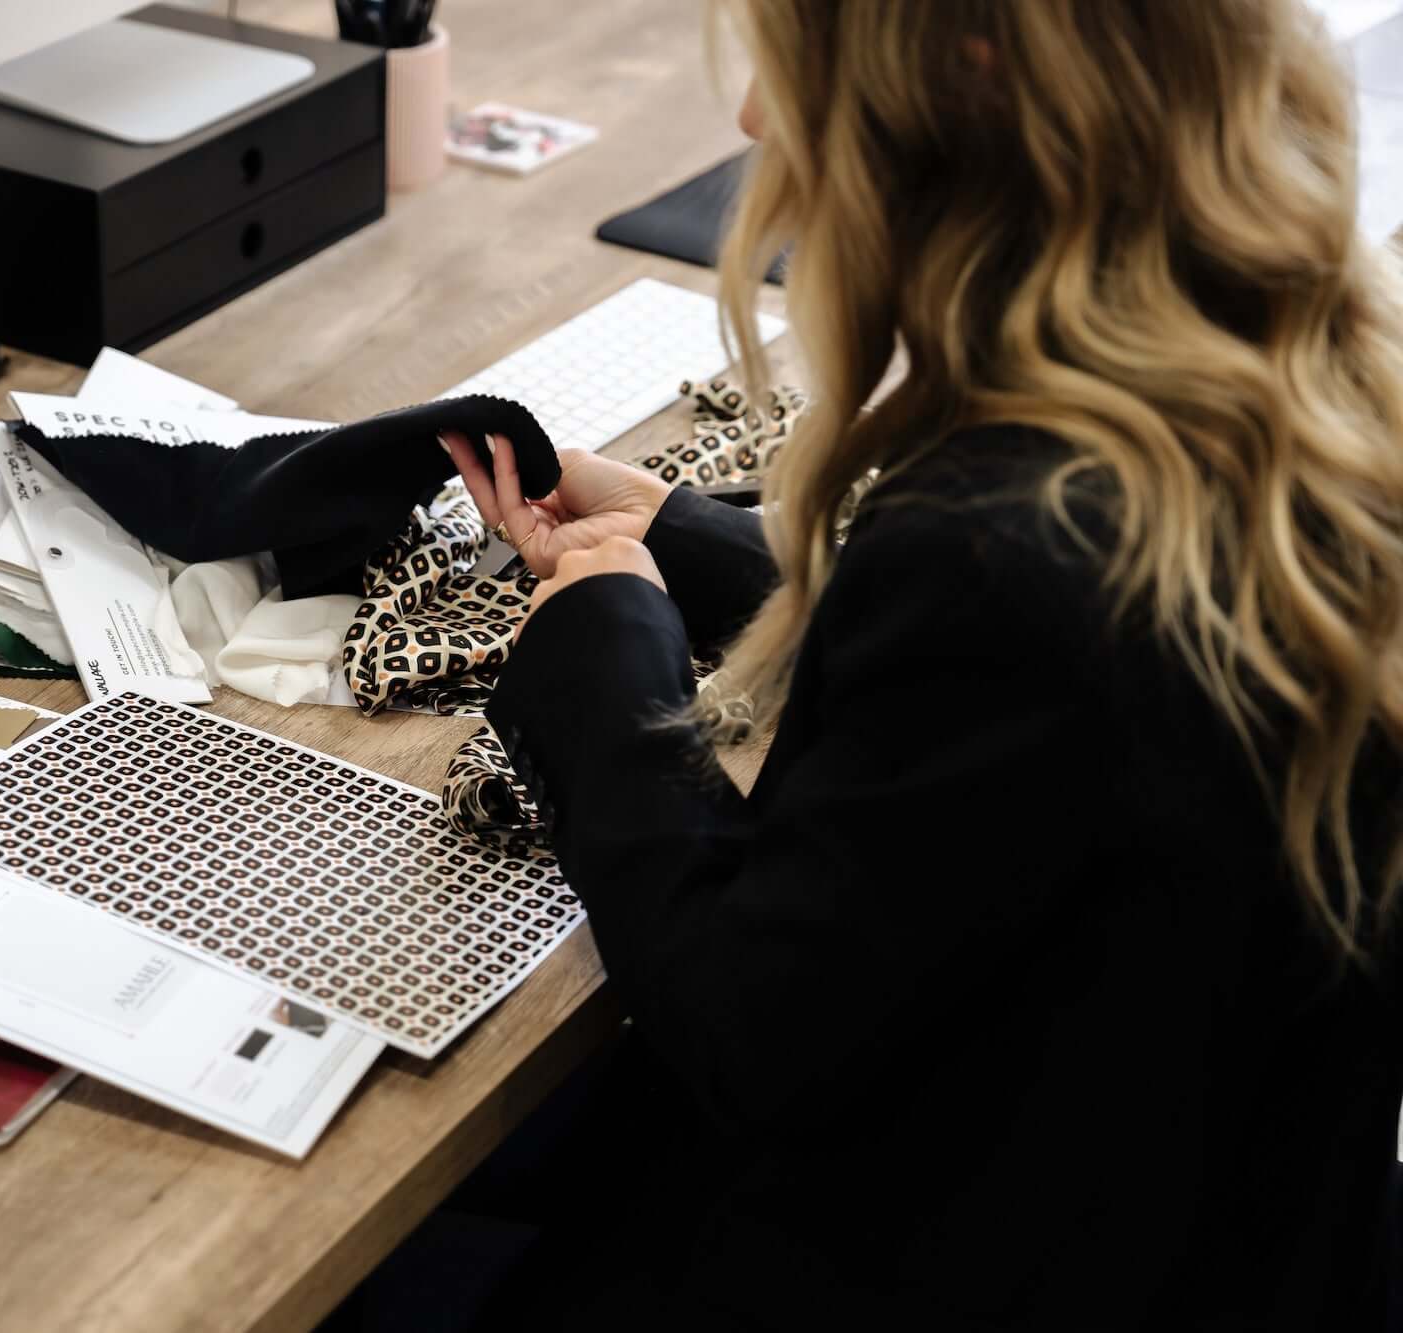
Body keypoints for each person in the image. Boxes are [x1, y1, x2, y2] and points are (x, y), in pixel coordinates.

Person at [435, 0, 1403, 1327]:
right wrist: (686, 538)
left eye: (789, 67)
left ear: (965, 77)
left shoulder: (997, 559)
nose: (754, 118)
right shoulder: (1301, 387)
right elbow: (1079, 694)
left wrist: (607, 663)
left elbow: (745, 1029)